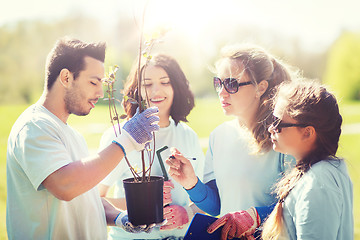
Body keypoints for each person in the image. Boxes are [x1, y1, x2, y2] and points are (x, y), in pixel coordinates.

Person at [6, 37, 161, 239]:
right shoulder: (34, 127)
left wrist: (120, 218)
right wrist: (126, 140)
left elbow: (87, 197)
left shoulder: (73, 135)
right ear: (66, 78)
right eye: (93, 82)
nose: (100, 92)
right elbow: (65, 186)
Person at [166, 44, 297, 239]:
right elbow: (216, 205)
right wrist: (191, 183)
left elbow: (298, 205)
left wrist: (255, 217)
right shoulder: (218, 136)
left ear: (260, 87)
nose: (222, 92)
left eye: (231, 84)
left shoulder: (283, 137)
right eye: (219, 83)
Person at [98, 54, 205, 240]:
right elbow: (93, 200)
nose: (156, 91)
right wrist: (142, 202)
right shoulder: (120, 136)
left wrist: (187, 212)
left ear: (177, 87)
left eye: (165, 82)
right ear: (136, 90)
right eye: (147, 84)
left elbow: (205, 198)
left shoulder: (188, 135)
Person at [261, 79, 353, 239]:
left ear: (308, 132)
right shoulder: (320, 172)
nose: (271, 128)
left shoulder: (317, 184)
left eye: (277, 123)